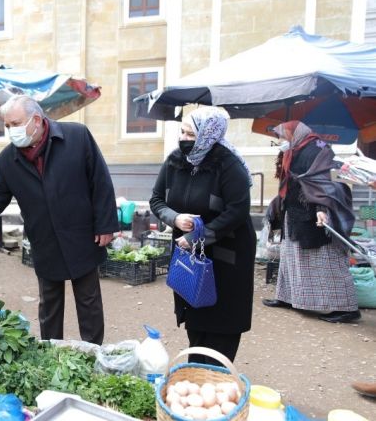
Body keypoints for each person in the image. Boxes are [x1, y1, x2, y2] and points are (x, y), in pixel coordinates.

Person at [0, 95, 118, 345]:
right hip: (44, 238)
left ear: (36, 120)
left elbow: (100, 181)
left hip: (81, 233)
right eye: (7, 126)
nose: (11, 131)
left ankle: (93, 351)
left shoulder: (77, 137)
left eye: (15, 123)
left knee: (88, 300)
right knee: (49, 303)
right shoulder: (8, 159)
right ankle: (51, 352)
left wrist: (106, 224)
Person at [149, 106, 255, 365]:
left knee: (222, 320)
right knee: (195, 313)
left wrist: (201, 235)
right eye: (182, 132)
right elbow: (157, 200)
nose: (183, 138)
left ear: (208, 134)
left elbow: (237, 210)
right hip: (189, 254)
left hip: (227, 255)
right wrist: (174, 218)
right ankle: (196, 368)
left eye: (189, 134)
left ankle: (216, 374)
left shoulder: (228, 164)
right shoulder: (175, 161)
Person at [262, 121, 359, 323]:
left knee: (326, 261)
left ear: (295, 134)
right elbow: (289, 181)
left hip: (315, 211)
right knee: (290, 257)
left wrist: (322, 210)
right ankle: (288, 297)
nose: (281, 140)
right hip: (295, 210)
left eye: (284, 136)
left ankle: (347, 308)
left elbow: (323, 181)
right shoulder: (294, 150)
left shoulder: (319, 148)